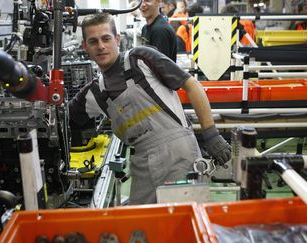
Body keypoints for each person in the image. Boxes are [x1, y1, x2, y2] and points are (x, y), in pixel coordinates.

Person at [69, 13, 231, 205]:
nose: (101, 46)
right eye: (93, 41)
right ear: (85, 46)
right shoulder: (95, 92)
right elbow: (65, 116)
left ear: (117, 39)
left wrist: (211, 134)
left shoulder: (141, 59)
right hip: (142, 162)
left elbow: (192, 85)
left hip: (178, 154)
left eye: (106, 38)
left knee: (182, 220)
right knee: (143, 225)